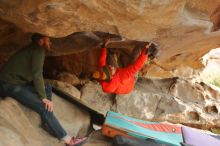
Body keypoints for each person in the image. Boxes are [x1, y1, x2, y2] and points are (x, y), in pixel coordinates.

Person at [0, 33, 87, 146]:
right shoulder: (38, 50)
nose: (50, 43)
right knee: (43, 106)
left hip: (16, 83)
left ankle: (47, 118)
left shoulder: (33, 49)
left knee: (47, 87)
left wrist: (44, 97)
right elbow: (37, 75)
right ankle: (68, 140)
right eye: (48, 40)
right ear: (41, 41)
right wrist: (44, 98)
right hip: (8, 85)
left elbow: (35, 75)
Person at [92, 38, 158, 94]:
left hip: (118, 81)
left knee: (110, 57)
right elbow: (137, 66)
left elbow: (101, 61)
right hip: (130, 82)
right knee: (136, 50)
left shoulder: (102, 76)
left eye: (108, 66)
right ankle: (150, 52)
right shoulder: (123, 76)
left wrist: (104, 46)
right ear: (112, 77)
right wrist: (145, 51)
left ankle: (111, 52)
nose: (111, 66)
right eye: (110, 69)